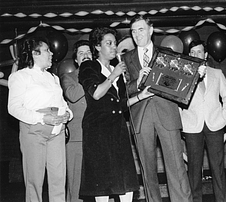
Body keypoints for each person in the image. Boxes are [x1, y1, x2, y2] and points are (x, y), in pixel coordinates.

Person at [123, 15, 193, 202]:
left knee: (177, 167)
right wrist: (137, 82)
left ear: (151, 30)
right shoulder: (125, 58)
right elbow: (123, 91)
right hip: (140, 116)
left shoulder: (167, 52)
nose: (137, 35)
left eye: (141, 29)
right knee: (147, 170)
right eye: (133, 31)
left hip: (167, 114)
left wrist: (195, 74)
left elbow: (179, 82)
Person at [78, 27, 153, 202]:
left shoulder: (115, 70)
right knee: (102, 184)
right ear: (97, 46)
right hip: (97, 131)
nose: (114, 47)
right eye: (108, 43)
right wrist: (113, 74)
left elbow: (121, 103)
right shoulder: (89, 66)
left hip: (118, 129)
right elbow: (96, 93)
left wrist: (140, 96)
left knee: (126, 182)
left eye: (115, 44)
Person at [7, 37, 73, 202]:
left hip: (56, 131)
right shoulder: (20, 76)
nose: (51, 53)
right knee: (34, 180)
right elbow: (13, 108)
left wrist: (68, 114)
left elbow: (63, 103)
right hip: (34, 130)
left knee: (59, 179)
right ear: (34, 53)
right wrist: (42, 118)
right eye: (46, 50)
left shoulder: (53, 78)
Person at [180, 40, 226, 202]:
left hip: (215, 124)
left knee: (218, 169)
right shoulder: (184, 73)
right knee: (194, 170)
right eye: (193, 52)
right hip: (191, 126)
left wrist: (224, 117)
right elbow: (177, 100)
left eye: (199, 51)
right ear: (189, 55)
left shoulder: (217, 73)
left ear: (206, 54)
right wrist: (181, 120)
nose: (196, 55)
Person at [60, 40, 92, 202]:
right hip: (77, 138)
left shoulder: (103, 76)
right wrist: (88, 76)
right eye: (81, 53)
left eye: (88, 52)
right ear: (76, 60)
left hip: (98, 137)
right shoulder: (69, 77)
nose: (85, 55)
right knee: (75, 185)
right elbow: (72, 95)